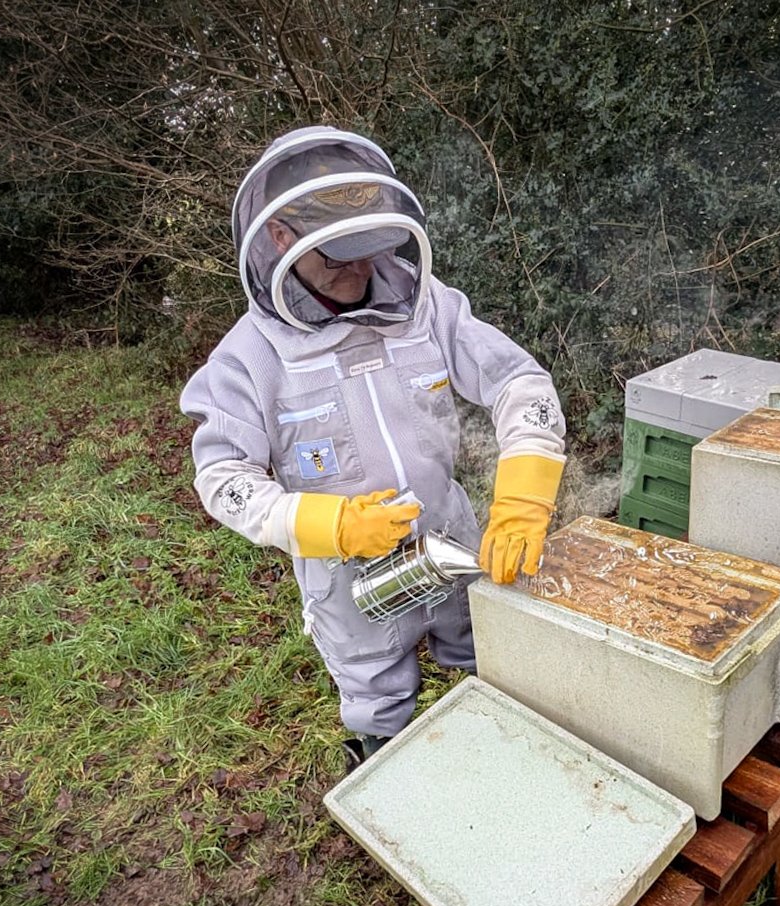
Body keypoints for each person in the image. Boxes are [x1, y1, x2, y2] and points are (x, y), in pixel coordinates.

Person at [180, 126, 566, 770]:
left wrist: (525, 496)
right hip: (346, 575)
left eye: (372, 247)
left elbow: (519, 382)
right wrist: (323, 523)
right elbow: (224, 477)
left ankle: (503, 749)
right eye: (339, 255)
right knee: (372, 684)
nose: (361, 269)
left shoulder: (429, 306)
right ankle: (382, 757)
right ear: (281, 239)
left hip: (451, 539)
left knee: (487, 651)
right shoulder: (248, 358)